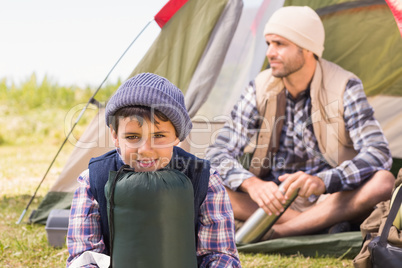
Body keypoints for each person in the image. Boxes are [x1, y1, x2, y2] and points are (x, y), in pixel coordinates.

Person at [205, 6, 395, 239]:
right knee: (205, 186)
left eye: (279, 44)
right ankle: (318, 226)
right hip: (275, 201)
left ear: (307, 49)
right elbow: (216, 152)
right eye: (268, 44)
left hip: (331, 199)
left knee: (384, 182)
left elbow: (379, 153)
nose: (270, 53)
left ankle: (278, 233)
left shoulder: (345, 85)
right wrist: (251, 184)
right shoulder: (260, 87)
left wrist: (322, 181)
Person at [66, 73, 241, 267]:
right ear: (115, 136)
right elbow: (84, 256)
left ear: (178, 136)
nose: (145, 150)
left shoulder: (205, 179)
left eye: (159, 135)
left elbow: (220, 255)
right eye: (132, 137)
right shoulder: (93, 180)